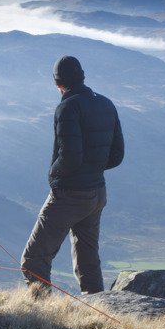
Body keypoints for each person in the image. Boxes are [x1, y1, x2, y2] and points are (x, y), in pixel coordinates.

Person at [20, 55, 124, 295]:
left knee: (34, 259)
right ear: (82, 77)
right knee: (88, 259)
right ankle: (98, 308)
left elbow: (69, 158)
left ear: (58, 84)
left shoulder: (67, 107)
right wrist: (92, 169)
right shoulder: (107, 104)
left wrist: (53, 174)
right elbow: (117, 155)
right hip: (97, 192)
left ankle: (43, 320)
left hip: (70, 194)